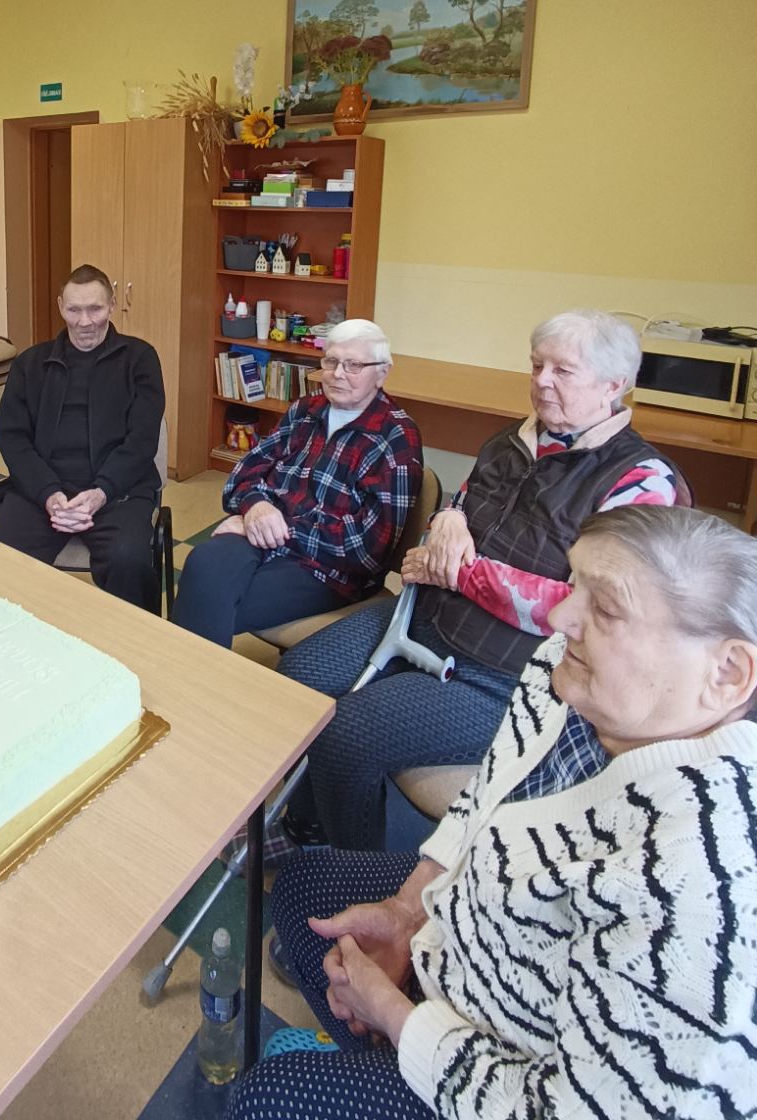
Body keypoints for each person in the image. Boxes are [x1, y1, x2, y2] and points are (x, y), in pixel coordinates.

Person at [228, 505, 757, 1120]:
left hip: (515, 1073)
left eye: (607, 609)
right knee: (302, 891)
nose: (558, 617)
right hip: (470, 939)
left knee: (268, 1098)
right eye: (574, 585)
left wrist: (399, 1019)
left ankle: (393, 1059)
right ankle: (374, 1055)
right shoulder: (565, 668)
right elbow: (485, 794)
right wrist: (408, 913)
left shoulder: (703, 887)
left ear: (726, 674)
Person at [279, 309, 682, 851]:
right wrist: (446, 519)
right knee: (298, 677)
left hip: (509, 674)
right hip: (425, 617)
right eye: (537, 365)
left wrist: (465, 574)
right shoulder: (510, 442)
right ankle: (307, 825)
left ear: (614, 385)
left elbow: (586, 609)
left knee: (349, 733)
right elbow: (461, 508)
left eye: (562, 370)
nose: (541, 381)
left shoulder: (641, 481)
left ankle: (352, 865)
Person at [173, 320, 422, 646]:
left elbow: (368, 550)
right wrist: (256, 506)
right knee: (203, 565)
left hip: (328, 569)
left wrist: (278, 529)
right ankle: (187, 673)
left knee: (209, 600)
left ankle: (183, 676)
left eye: (354, 365)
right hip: (262, 533)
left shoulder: (396, 438)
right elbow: (243, 473)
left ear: (382, 372)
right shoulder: (305, 410)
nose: (338, 374)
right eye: (331, 361)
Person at [0, 264, 164, 609]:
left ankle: (131, 641)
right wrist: (48, 494)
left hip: (117, 492)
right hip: (42, 492)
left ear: (113, 305)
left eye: (95, 309)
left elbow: (143, 439)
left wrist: (101, 492)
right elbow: (13, 439)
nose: (85, 321)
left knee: (129, 561)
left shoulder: (140, 359)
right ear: (61, 306)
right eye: (74, 310)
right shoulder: (31, 364)